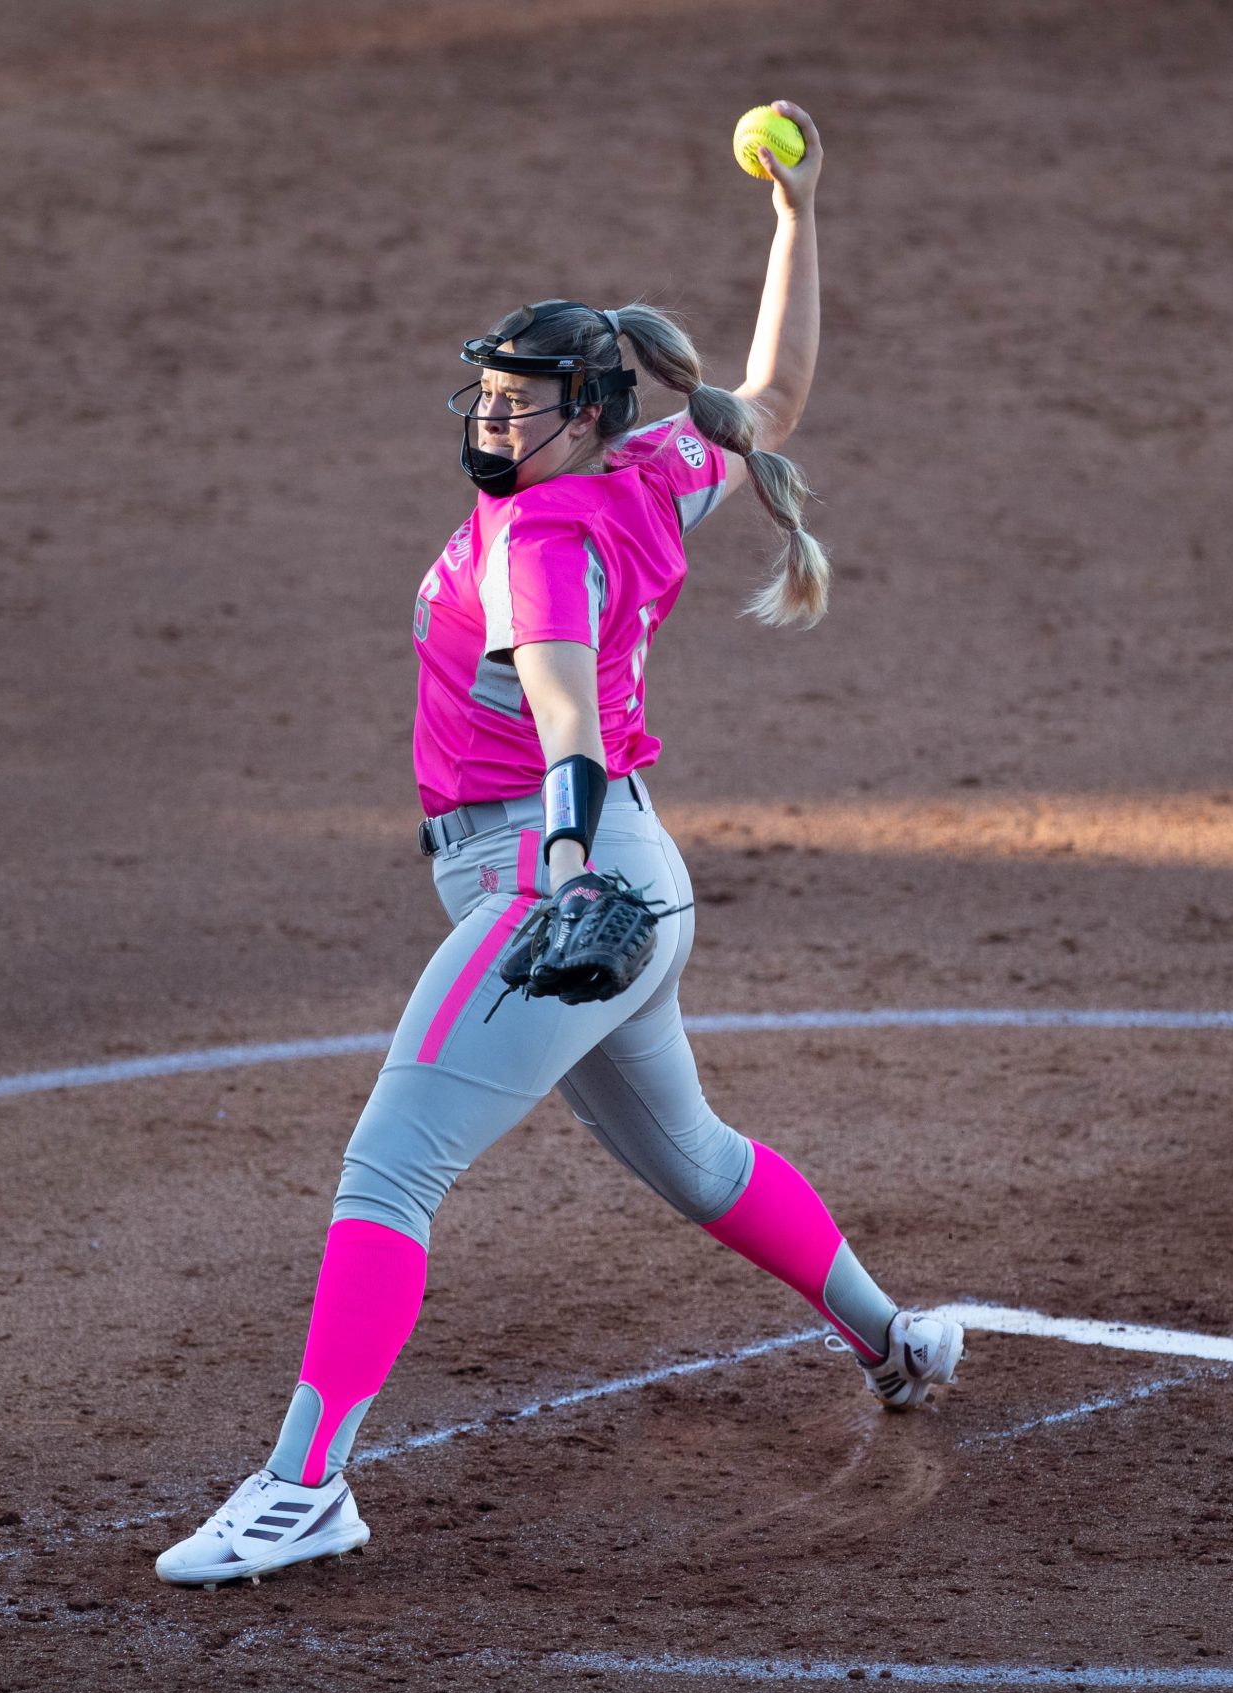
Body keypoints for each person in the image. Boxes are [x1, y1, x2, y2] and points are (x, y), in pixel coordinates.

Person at [156, 102, 961, 1588]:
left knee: (389, 1174)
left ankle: (302, 1486)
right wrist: (798, 223)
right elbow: (772, 399)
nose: (491, 418)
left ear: (587, 412)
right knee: (701, 1162)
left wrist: (574, 874)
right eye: (485, 395)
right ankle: (896, 1340)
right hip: (625, 874)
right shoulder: (654, 472)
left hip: (564, 872)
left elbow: (566, 722)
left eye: (521, 403)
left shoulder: (544, 545)